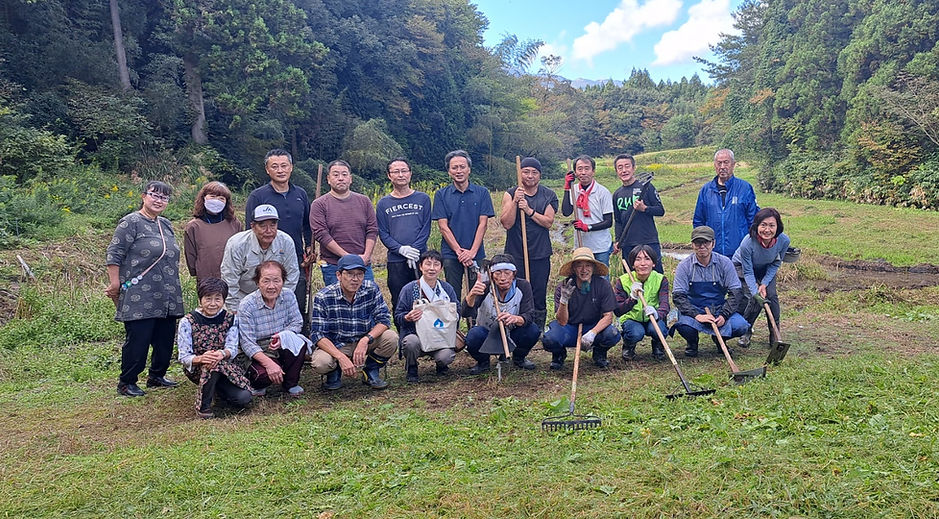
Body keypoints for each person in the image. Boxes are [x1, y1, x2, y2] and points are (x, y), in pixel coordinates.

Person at [105, 180, 184, 397]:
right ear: (143, 196)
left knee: (165, 338)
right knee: (138, 339)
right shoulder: (130, 222)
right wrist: (115, 283)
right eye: (154, 195)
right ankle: (126, 382)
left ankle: (157, 376)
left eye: (164, 197)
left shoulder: (165, 224)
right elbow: (114, 253)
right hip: (140, 294)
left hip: (168, 292)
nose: (159, 200)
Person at [309, 255, 398, 390]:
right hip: (337, 344)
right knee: (321, 362)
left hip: (364, 341)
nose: (355, 279)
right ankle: (334, 371)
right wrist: (340, 357)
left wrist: (365, 340)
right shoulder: (323, 297)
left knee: (391, 337)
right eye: (350, 274)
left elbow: (384, 319)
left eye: (360, 274)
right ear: (339, 275)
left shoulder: (371, 289)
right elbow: (317, 335)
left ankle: (370, 370)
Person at [245, 149, 312, 315]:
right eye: (275, 166)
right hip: (266, 257)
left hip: (294, 257)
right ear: (267, 170)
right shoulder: (258, 196)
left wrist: (309, 247)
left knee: (296, 302)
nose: (280, 170)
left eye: (284, 165)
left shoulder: (300, 194)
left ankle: (297, 338)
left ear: (291, 167)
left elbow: (308, 225)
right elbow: (250, 228)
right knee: (266, 302)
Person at [177, 277, 252, 418]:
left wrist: (222, 354)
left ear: (224, 300)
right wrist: (202, 358)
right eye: (208, 298)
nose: (213, 304)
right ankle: (203, 406)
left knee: (244, 398)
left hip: (227, 367)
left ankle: (216, 391)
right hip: (200, 368)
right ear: (200, 299)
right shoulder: (188, 321)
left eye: (217, 299)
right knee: (211, 364)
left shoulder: (230, 318)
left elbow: (232, 347)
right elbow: (184, 356)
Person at [499, 156, 558, 330]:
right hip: (515, 252)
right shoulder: (511, 193)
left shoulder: (548, 195)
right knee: (516, 288)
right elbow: (506, 223)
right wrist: (516, 202)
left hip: (540, 252)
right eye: (525, 172)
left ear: (539, 175)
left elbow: (548, 222)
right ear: (520, 173)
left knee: (539, 291)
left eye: (534, 172)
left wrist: (529, 210)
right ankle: (515, 323)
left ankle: (537, 327)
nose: (530, 176)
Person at [672, 226, 750, 357]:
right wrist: (697, 315)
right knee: (683, 325)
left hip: (719, 309)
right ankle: (692, 342)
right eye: (698, 243)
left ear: (713, 243)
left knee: (741, 326)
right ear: (692, 245)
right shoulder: (684, 266)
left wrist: (724, 315)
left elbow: (736, 293)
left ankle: (721, 340)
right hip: (694, 310)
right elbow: (678, 296)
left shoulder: (725, 263)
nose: (702, 246)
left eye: (706, 242)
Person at [237, 260, 309, 396]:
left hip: (280, 340)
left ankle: (290, 383)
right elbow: (247, 343)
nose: (271, 286)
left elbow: (297, 322)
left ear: (283, 281)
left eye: (277, 280)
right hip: (259, 349)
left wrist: (283, 336)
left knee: (300, 342)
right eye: (266, 281)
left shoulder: (288, 295)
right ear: (258, 283)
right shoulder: (247, 305)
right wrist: (269, 364)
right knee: (262, 376)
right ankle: (261, 382)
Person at [432, 150, 496, 300]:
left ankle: (475, 323)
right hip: (451, 254)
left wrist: (472, 252)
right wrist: (459, 252)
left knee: (478, 293)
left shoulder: (482, 193)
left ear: (469, 169)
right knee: (452, 294)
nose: (459, 171)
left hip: (476, 252)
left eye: (462, 167)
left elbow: (483, 224)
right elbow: (443, 226)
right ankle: (454, 322)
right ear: (449, 171)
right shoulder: (441, 195)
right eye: (454, 168)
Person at [462, 254, 541, 374]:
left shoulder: (523, 286)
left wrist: (516, 319)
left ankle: (519, 358)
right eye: (498, 273)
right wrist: (471, 295)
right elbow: (465, 313)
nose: (503, 278)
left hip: (513, 331)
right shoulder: (484, 287)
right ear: (492, 275)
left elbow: (529, 315)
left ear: (514, 274)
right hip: (487, 332)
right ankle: (483, 362)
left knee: (532, 331)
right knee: (473, 335)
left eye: (507, 273)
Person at [542, 247, 620, 369]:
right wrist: (564, 301)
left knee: (612, 334)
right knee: (550, 339)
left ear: (593, 268)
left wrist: (592, 333)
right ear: (573, 268)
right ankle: (559, 355)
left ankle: (599, 353)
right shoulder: (564, 286)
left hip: (594, 326)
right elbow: (562, 321)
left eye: (588, 265)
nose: (584, 270)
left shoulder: (603, 285)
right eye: (579, 266)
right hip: (569, 327)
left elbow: (608, 316)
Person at [394, 250, 460, 383]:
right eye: (428, 264)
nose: (431, 268)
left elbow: (457, 310)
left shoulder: (446, 289)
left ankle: (441, 365)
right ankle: (412, 366)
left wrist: (451, 314)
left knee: (446, 356)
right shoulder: (409, 289)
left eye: (436, 264)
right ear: (420, 266)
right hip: (416, 335)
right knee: (411, 343)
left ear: (441, 268)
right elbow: (397, 316)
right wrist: (407, 317)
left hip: (440, 335)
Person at [310, 160, 378, 284]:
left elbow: (372, 230)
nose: (340, 178)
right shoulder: (319, 204)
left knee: (367, 300)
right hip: (334, 266)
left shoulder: (364, 201)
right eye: (336, 175)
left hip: (363, 264)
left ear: (350, 178)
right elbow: (321, 235)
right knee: (338, 302)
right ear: (328, 179)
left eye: (344, 174)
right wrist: (347, 257)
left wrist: (366, 256)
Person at [377, 157, 432, 311]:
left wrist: (415, 250)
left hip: (420, 258)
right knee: (399, 298)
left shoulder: (423, 199)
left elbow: (426, 228)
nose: (400, 175)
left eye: (404, 171)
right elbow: (383, 232)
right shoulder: (383, 203)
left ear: (410, 173)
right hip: (396, 260)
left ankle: (423, 332)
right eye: (396, 171)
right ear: (389, 175)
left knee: (421, 297)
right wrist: (401, 250)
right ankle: (403, 333)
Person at [220, 204, 299, 311]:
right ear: (252, 226)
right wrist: (233, 309)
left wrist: (279, 302)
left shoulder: (286, 242)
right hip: (242, 296)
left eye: (273, 225)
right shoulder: (237, 244)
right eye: (263, 226)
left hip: (274, 297)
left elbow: (292, 275)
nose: (269, 230)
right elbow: (229, 279)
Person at [732, 208, 790, 347]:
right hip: (742, 266)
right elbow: (748, 272)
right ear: (757, 225)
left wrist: (764, 283)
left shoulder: (783, 241)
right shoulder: (747, 243)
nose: (767, 229)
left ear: (778, 226)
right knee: (754, 298)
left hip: (765, 268)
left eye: (771, 225)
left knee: (772, 296)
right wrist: (755, 290)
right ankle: (746, 331)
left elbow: (776, 263)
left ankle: (775, 336)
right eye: (763, 225)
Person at [693, 149, 759, 256]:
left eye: (726, 162)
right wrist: (704, 245)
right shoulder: (706, 190)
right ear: (715, 165)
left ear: (733, 164)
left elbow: (753, 220)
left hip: (739, 254)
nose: (722, 166)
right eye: (719, 163)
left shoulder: (745, 188)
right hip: (713, 254)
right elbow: (698, 221)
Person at [613, 245, 669, 361]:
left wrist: (657, 313)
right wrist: (632, 298)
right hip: (631, 319)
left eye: (647, 259)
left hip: (653, 317)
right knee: (635, 333)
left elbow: (665, 304)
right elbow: (618, 310)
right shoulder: (623, 281)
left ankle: (658, 345)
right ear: (633, 264)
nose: (643, 263)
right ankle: (629, 345)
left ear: (653, 263)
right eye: (638, 259)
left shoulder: (660, 279)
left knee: (658, 330)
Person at [611, 154, 665, 274]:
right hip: (628, 243)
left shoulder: (646, 187)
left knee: (656, 276)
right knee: (631, 279)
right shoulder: (617, 194)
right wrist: (618, 240)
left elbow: (660, 210)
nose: (624, 170)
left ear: (633, 168)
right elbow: (618, 221)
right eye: (620, 167)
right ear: (616, 171)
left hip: (648, 240)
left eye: (627, 166)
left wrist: (644, 208)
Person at [183, 181, 242, 284]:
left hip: (232, 278)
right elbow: (191, 256)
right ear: (204, 198)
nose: (216, 201)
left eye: (221, 198)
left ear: (226, 202)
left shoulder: (234, 224)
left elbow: (241, 251)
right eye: (212, 196)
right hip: (206, 279)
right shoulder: (193, 227)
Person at [561, 155, 614, 266]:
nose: (583, 172)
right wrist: (567, 188)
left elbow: (608, 222)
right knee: (582, 277)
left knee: (601, 278)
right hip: (581, 246)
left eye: (587, 169)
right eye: (580, 169)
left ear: (593, 171)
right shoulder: (574, 190)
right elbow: (566, 212)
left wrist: (588, 227)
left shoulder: (602, 192)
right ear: (575, 172)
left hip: (600, 246)